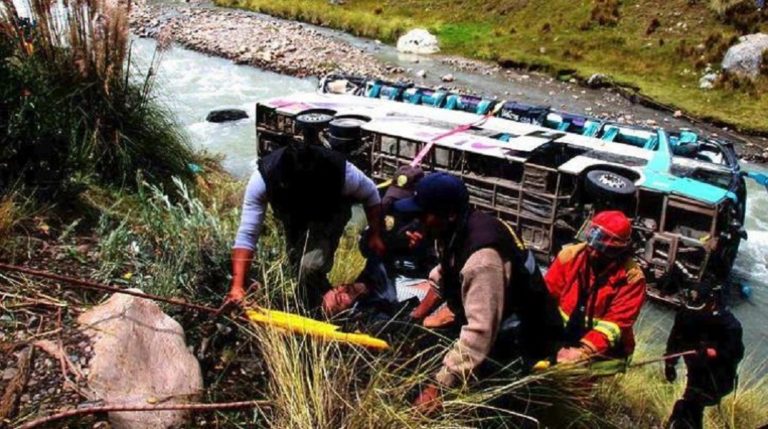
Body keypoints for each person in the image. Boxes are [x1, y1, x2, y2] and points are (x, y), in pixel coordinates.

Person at [394, 172, 562, 414]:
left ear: (448, 214)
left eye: (423, 214)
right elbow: (446, 275)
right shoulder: (456, 229)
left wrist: (437, 388)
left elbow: (479, 334)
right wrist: (415, 319)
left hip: (517, 342)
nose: (417, 220)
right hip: (496, 327)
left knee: (473, 410)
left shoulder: (483, 261)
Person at [224, 139, 385, 312]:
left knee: (310, 266)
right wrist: (237, 286)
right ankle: (330, 304)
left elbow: (371, 194)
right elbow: (247, 235)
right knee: (296, 265)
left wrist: (376, 234)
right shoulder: (264, 178)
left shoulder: (341, 171)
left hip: (329, 213)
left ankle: (322, 311)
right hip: (294, 216)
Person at [322, 165, 436, 316]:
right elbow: (369, 245)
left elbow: (437, 285)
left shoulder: (436, 223)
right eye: (339, 295)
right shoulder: (376, 300)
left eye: (339, 289)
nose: (343, 288)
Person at [543, 210, 646, 364]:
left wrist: (584, 352)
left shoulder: (631, 278)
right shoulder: (569, 257)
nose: (593, 252)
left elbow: (615, 324)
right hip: (563, 340)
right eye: (592, 244)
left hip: (604, 353)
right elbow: (545, 298)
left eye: (601, 249)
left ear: (618, 250)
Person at [664, 282, 744, 429]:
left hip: (717, 374)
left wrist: (713, 353)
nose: (695, 312)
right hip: (695, 367)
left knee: (689, 405)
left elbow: (736, 354)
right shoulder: (686, 313)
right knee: (688, 406)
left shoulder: (728, 325)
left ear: (711, 302)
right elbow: (676, 339)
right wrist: (670, 362)